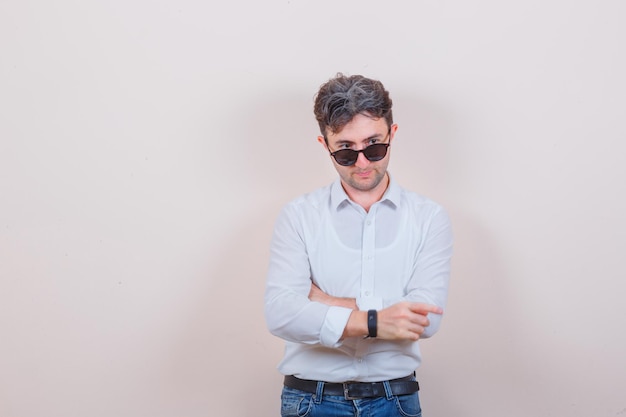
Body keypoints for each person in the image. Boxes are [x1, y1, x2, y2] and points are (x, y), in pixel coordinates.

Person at [264, 73, 453, 417]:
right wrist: (377, 321)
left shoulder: (429, 218)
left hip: (395, 400)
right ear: (325, 145)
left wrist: (326, 303)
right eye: (346, 151)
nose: (363, 163)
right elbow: (281, 314)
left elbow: (425, 320)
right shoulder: (298, 216)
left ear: (392, 134)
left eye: (374, 146)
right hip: (311, 401)